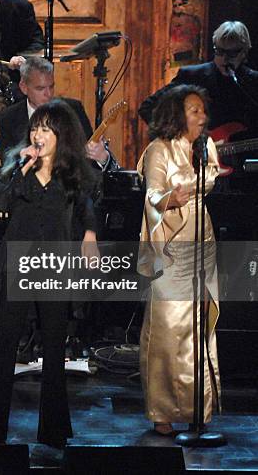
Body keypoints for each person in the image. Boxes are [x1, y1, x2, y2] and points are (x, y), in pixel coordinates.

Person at [0, 99, 98, 447]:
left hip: (55, 264)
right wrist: (23, 169)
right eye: (36, 128)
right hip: (20, 261)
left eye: (46, 128)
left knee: (54, 347)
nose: (38, 134)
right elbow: (3, 202)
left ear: (61, 135)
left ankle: (54, 429)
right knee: (6, 345)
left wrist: (90, 235)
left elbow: (87, 204)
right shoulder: (21, 167)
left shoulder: (72, 171)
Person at [137, 84, 221, 436]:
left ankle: (197, 409)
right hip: (172, 243)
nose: (202, 116)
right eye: (194, 110)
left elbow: (213, 175)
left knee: (199, 326)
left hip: (202, 237)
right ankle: (163, 411)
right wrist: (173, 197)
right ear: (177, 113)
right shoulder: (159, 149)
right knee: (169, 329)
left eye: (203, 109)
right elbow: (152, 193)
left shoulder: (205, 145)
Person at [0, 56, 120, 170]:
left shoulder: (74, 109)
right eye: (40, 88)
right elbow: (8, 169)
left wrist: (103, 158)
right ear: (24, 87)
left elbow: (91, 166)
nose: (48, 94)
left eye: (51, 87)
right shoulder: (8, 118)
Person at [139, 21, 258, 132]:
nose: (224, 59)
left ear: (244, 53)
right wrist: (173, 138)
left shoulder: (253, 81)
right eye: (219, 51)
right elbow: (148, 107)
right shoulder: (193, 76)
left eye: (232, 53)